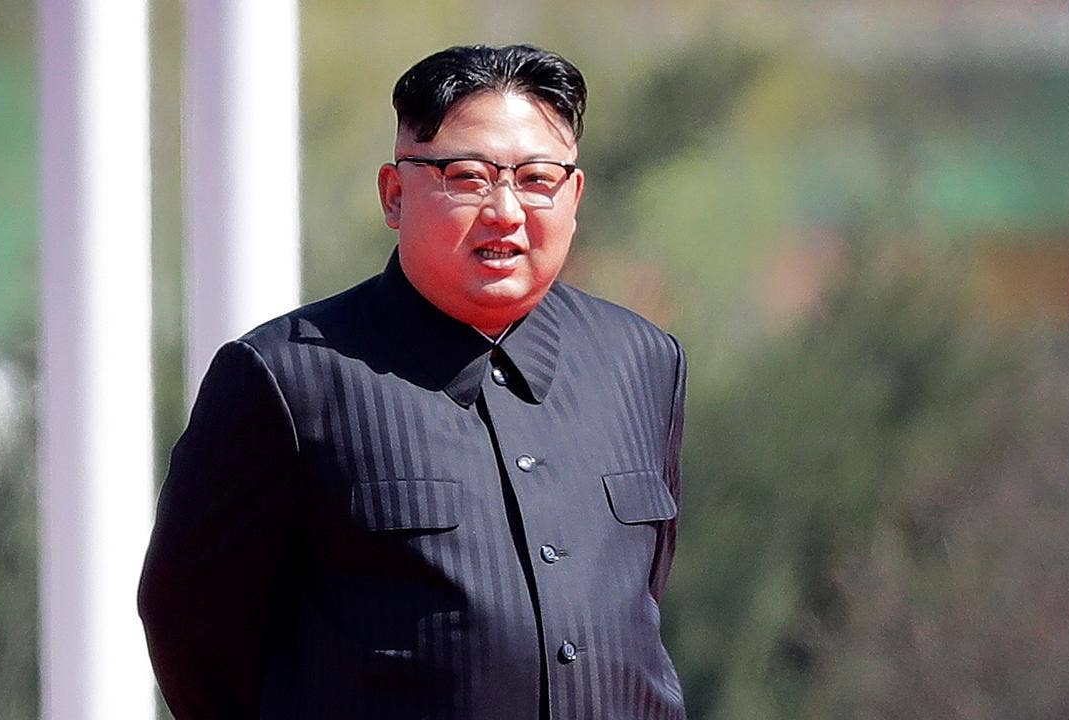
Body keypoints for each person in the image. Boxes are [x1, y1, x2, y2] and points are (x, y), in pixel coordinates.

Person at [139, 44, 688, 720]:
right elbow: (193, 625)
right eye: (468, 177)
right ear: (395, 195)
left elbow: (639, 591)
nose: (506, 210)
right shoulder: (287, 377)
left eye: (537, 178)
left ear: (573, 194)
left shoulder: (642, 360)